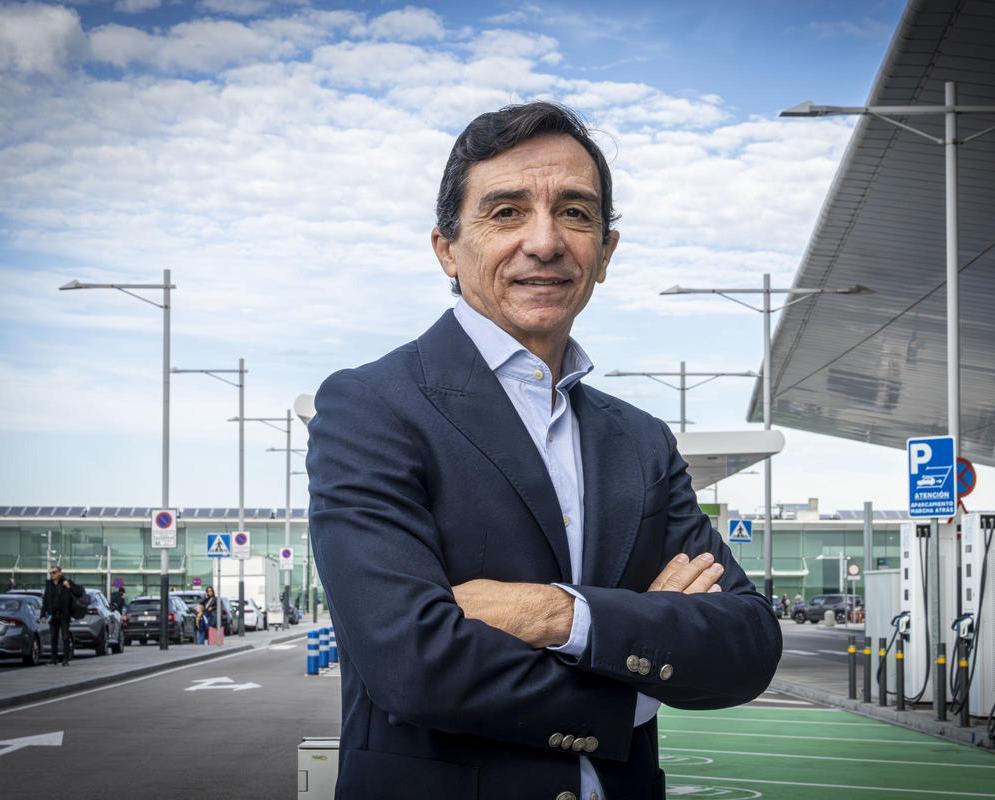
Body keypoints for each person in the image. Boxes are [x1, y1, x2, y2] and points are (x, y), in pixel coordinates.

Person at [308, 102, 782, 800]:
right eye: (505, 212)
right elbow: (414, 664)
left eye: (576, 213)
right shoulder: (372, 408)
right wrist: (633, 666)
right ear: (446, 247)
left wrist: (556, 615)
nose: (545, 241)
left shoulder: (640, 441)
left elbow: (745, 642)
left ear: (607, 251)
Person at [40, 566, 84, 666]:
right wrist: (42, 614)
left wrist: (69, 586)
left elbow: (79, 592)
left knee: (65, 637)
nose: (52, 575)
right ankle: (54, 659)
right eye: (50, 573)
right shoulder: (49, 585)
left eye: (54, 572)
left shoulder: (67, 582)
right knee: (53, 637)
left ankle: (65, 659)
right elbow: (45, 600)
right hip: (53, 615)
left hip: (64, 614)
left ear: (60, 573)